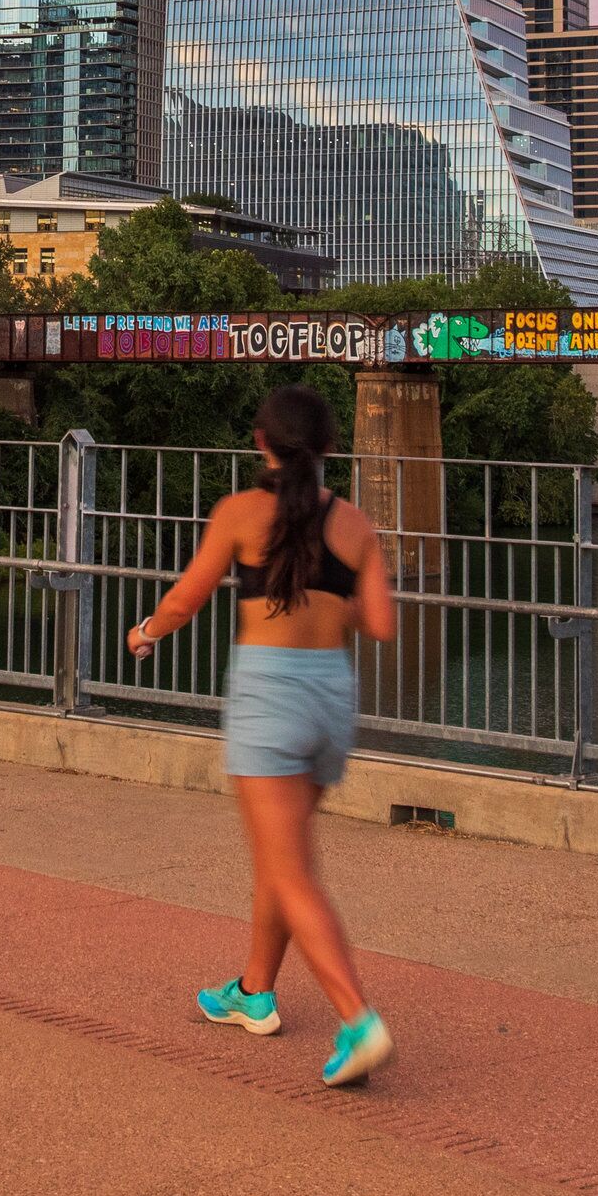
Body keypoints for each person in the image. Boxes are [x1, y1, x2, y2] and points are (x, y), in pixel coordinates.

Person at [121, 385, 400, 1088]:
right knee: (283, 858)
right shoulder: (358, 527)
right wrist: (325, 584)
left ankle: (357, 1020)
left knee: (291, 871)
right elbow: (381, 626)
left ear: (260, 442)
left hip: (269, 696)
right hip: (331, 695)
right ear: (331, 448)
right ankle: (253, 992)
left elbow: (186, 597)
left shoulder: (241, 512)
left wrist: (147, 632)